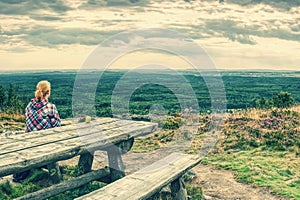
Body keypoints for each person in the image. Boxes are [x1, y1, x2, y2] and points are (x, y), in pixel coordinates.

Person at [13, 80, 61, 183]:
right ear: (48, 92)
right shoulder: (51, 107)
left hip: (29, 143)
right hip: (44, 145)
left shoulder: (29, 105)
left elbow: (27, 119)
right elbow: (57, 127)